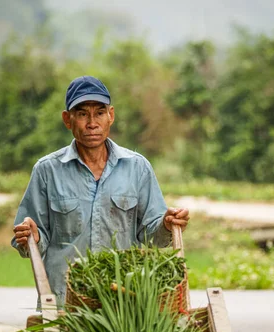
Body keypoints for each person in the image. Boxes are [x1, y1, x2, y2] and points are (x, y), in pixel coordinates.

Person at [12, 75, 190, 305]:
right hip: (65, 302)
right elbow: (29, 241)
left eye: (99, 112)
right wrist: (33, 237)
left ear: (111, 116)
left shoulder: (137, 167)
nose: (92, 123)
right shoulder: (47, 171)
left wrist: (166, 224)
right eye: (82, 113)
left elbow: (154, 237)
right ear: (68, 119)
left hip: (126, 301)